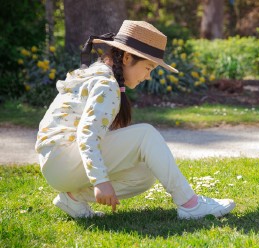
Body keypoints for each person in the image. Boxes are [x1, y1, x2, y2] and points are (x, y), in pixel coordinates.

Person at [35, 20, 235, 219]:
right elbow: (87, 134)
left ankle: (74, 198)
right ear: (128, 58)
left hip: (57, 164)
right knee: (145, 135)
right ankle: (190, 204)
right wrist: (100, 181)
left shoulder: (101, 75)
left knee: (143, 174)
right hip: (61, 160)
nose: (148, 76)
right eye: (148, 68)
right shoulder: (107, 84)